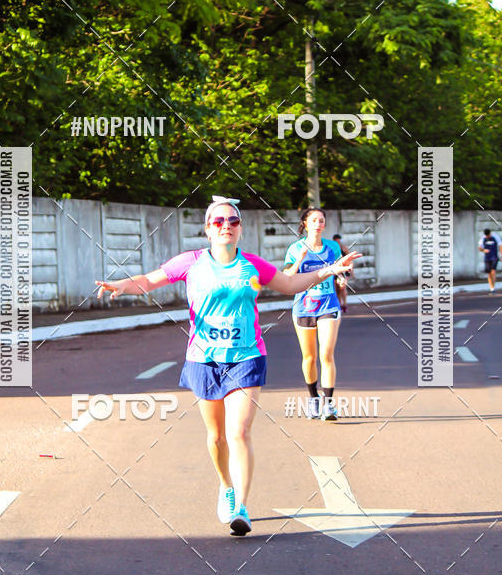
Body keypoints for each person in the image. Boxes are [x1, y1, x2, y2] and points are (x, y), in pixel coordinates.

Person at [96, 196, 361, 537]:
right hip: (204, 358)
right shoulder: (190, 263)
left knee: (240, 432)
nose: (226, 226)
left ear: (240, 229)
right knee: (217, 436)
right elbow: (149, 281)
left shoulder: (252, 265)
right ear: (208, 229)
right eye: (218, 221)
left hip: (246, 356)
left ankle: (242, 508)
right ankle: (226, 486)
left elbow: (289, 284)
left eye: (232, 221)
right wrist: (121, 285)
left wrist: (329, 269)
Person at [284, 209, 347, 421]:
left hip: (328, 304)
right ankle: (313, 399)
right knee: (309, 358)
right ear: (305, 223)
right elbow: (286, 277)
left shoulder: (332, 247)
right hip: (303, 306)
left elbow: (339, 268)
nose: (318, 223)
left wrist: (342, 276)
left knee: (326, 355)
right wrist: (299, 260)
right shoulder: (295, 248)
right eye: (314, 220)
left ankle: (329, 405)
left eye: (321, 220)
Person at [479, 228, 502, 293]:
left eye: (488, 235)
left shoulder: (495, 237)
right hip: (487, 258)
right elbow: (480, 247)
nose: (488, 237)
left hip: (494, 257)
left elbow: (500, 246)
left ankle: (493, 287)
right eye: (486, 236)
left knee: (493, 271)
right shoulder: (483, 238)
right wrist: (483, 250)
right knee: (489, 273)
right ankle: (491, 288)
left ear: (490, 233)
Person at [332, 233, 352, 313]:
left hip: (343, 270)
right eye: (336, 240)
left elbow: (349, 258)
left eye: (338, 240)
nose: (337, 242)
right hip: (336, 270)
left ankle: (345, 304)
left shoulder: (343, 248)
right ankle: (339, 305)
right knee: (337, 289)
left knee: (343, 287)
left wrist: (350, 269)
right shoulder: (332, 249)